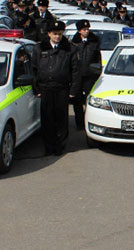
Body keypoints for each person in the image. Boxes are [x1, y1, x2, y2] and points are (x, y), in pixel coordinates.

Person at [32, 20, 76, 156]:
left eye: (60, 34)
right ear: (49, 34)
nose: (57, 36)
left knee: (61, 119)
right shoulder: (40, 48)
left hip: (62, 89)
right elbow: (34, 69)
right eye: (55, 34)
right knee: (47, 119)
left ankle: (60, 146)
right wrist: (36, 89)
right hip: (45, 88)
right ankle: (48, 146)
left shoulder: (69, 48)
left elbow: (75, 70)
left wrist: (73, 90)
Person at [70, 19, 101, 131]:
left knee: (89, 101)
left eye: (88, 29)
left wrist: (97, 73)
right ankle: (79, 123)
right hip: (77, 76)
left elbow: (98, 59)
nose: (87, 31)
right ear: (79, 31)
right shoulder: (74, 42)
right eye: (84, 29)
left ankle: (88, 121)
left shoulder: (94, 41)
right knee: (77, 101)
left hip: (90, 76)